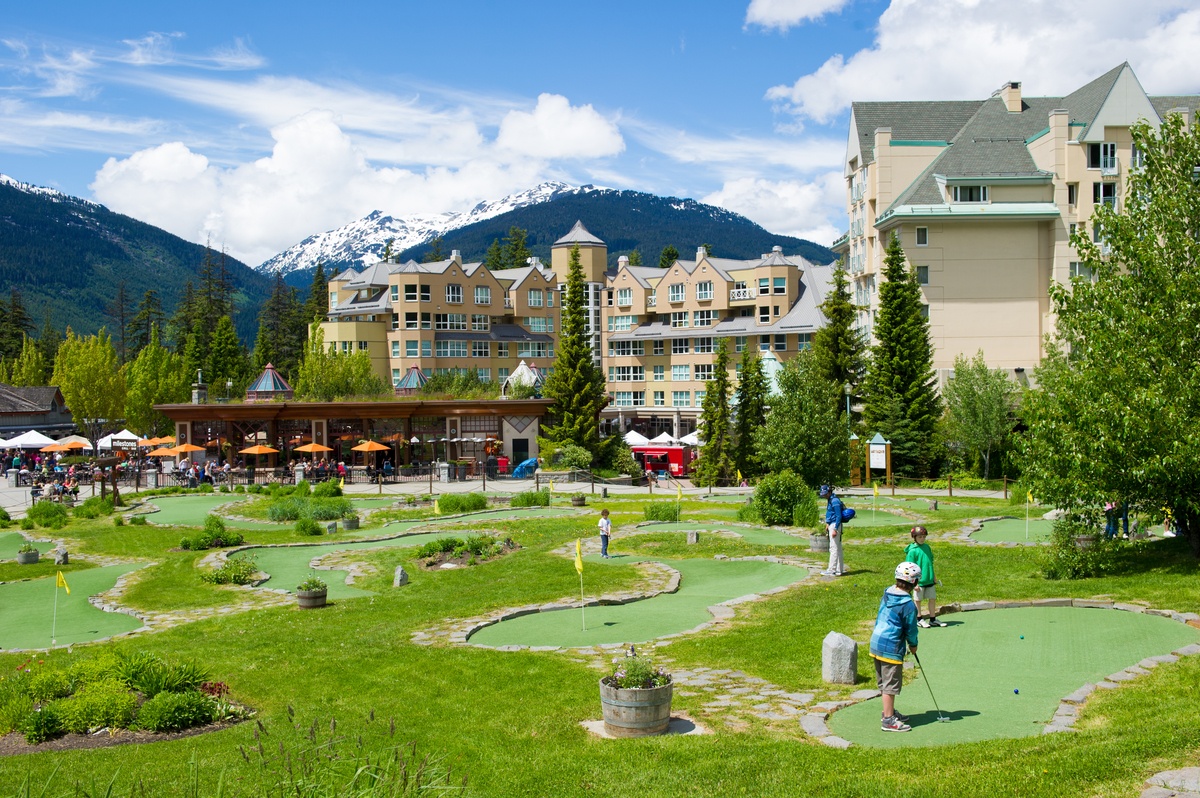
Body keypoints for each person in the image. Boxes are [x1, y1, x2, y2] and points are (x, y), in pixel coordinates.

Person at [870, 561, 922, 732]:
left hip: (876, 642)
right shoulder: (908, 605)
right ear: (914, 582)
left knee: (884, 682)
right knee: (890, 685)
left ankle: (888, 711)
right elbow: (911, 629)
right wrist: (913, 645)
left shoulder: (887, 593)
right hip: (891, 647)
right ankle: (888, 720)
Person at [905, 526, 946, 628]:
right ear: (914, 537)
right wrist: (914, 583)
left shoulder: (927, 547)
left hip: (929, 578)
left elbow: (930, 563)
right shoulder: (912, 551)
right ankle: (919, 619)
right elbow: (909, 567)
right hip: (919, 581)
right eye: (920, 537)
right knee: (918, 600)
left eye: (924, 537)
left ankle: (933, 619)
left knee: (932, 598)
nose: (922, 539)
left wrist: (934, 576)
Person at [819, 485, 846, 576]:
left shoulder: (834, 501)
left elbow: (838, 516)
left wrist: (835, 528)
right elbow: (831, 513)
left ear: (829, 492)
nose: (824, 496)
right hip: (832, 524)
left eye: (825, 494)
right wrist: (827, 523)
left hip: (835, 525)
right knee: (837, 548)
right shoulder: (830, 500)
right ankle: (839, 569)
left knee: (833, 548)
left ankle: (831, 570)